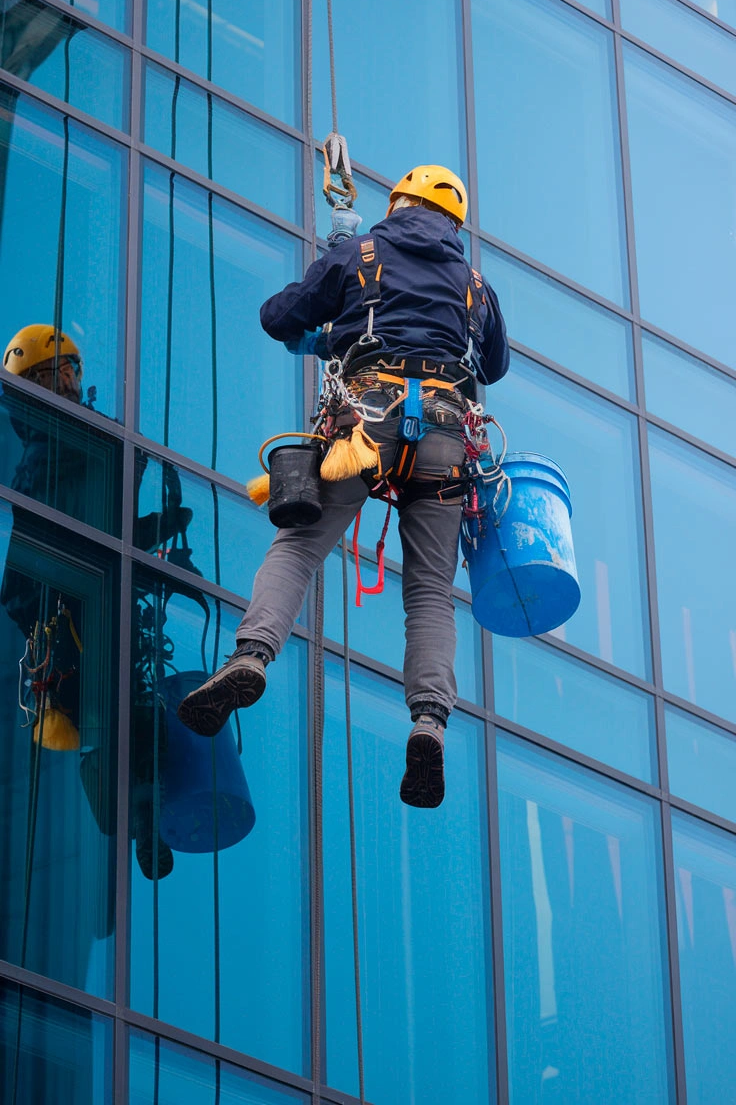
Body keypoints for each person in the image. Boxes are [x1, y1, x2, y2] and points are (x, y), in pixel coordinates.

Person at [177, 165, 509, 807]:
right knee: (432, 592)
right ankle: (429, 723)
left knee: (300, 546)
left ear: (399, 202)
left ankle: (251, 656)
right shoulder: (475, 283)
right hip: (445, 438)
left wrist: (333, 286)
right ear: (455, 223)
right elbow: (492, 364)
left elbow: (279, 315)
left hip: (365, 424)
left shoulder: (361, 252)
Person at [1, 324, 191, 878]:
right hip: (76, 618)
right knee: (124, 715)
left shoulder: (79, 445)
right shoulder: (44, 453)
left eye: (71, 371)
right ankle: (139, 818)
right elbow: (43, 555)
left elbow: (103, 527)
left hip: (100, 607)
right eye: (52, 375)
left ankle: (141, 814)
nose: (67, 383)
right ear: (28, 389)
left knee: (139, 716)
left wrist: (153, 530)